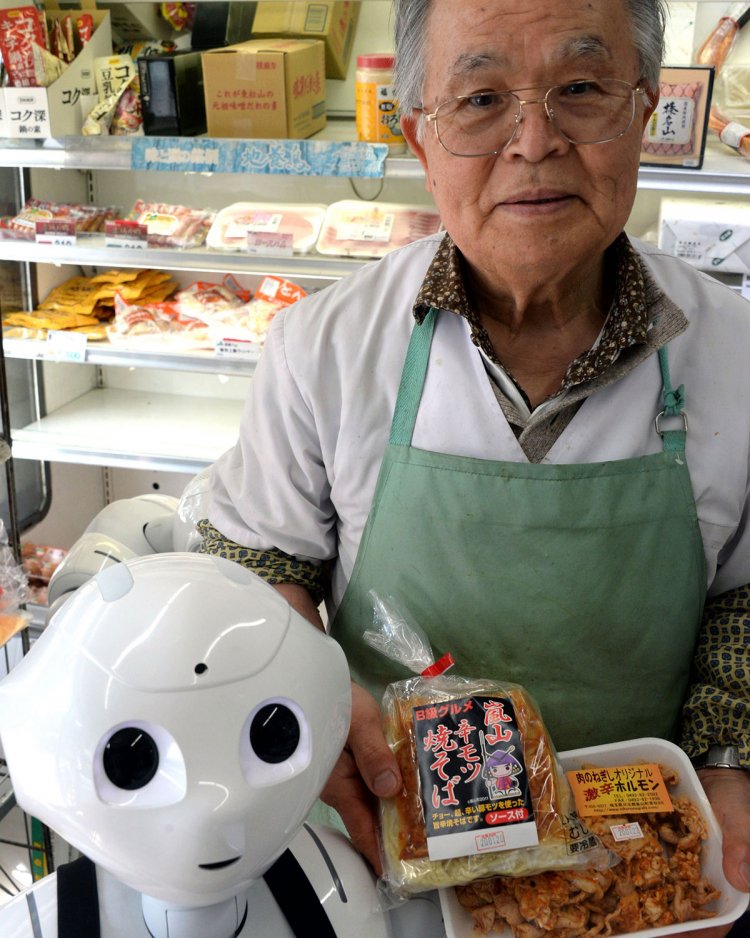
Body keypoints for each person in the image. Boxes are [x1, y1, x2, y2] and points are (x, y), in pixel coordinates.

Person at [201, 0, 750, 933]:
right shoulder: (324, 348)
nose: (534, 142)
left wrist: (727, 768)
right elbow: (259, 569)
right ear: (420, 136)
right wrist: (322, 718)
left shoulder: (735, 355)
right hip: (389, 853)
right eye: (482, 98)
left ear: (645, 111)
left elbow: (745, 595)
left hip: (644, 856)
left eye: (580, 89)